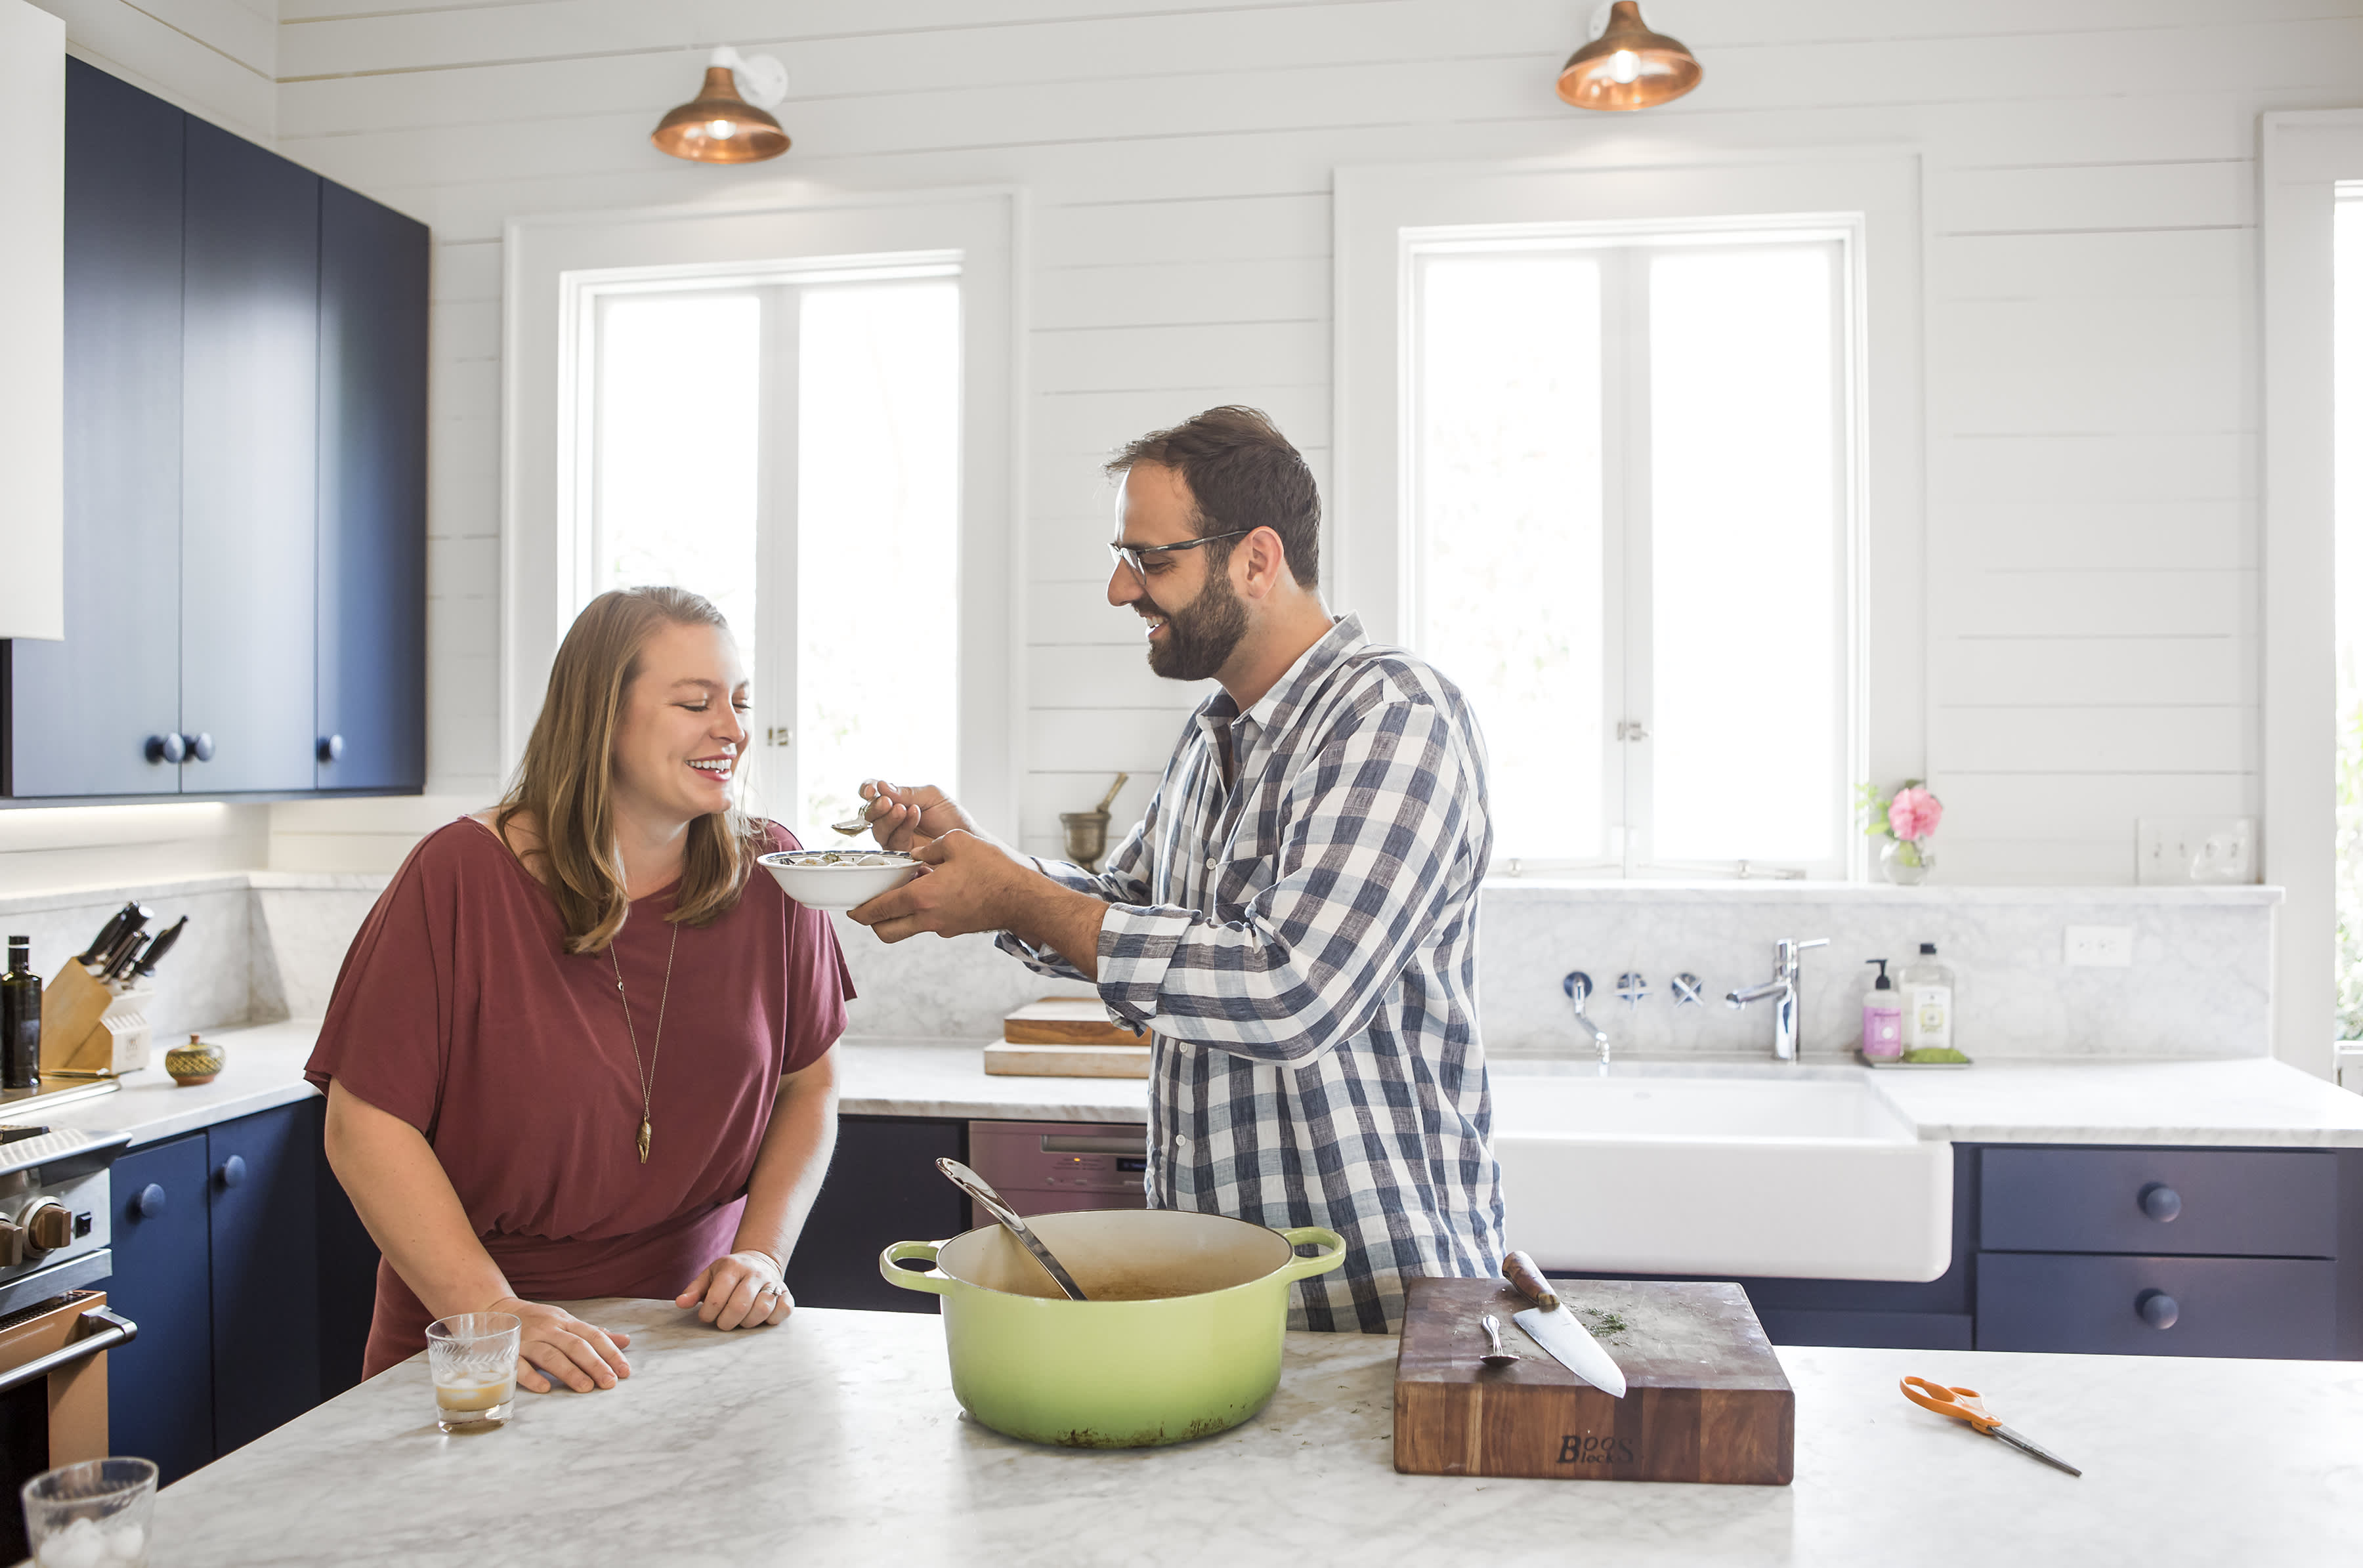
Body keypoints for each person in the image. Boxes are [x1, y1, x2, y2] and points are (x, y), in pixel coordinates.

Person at [848, 406, 1502, 1332]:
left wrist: (1015, 894)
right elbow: (1120, 911)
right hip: (1220, 1304)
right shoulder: (1212, 735)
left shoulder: (1393, 717)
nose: (1121, 590)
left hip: (1379, 1312)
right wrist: (972, 859)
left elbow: (1290, 988)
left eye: (1152, 560)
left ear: (1257, 560)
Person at [307, 587, 852, 1388]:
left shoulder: (772, 873)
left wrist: (762, 1254)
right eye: (695, 702)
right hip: (482, 1350)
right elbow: (363, 1125)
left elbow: (811, 1084)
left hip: (691, 1340)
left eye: (738, 702)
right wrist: (490, 1309)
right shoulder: (460, 876)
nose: (733, 731)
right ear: (603, 715)